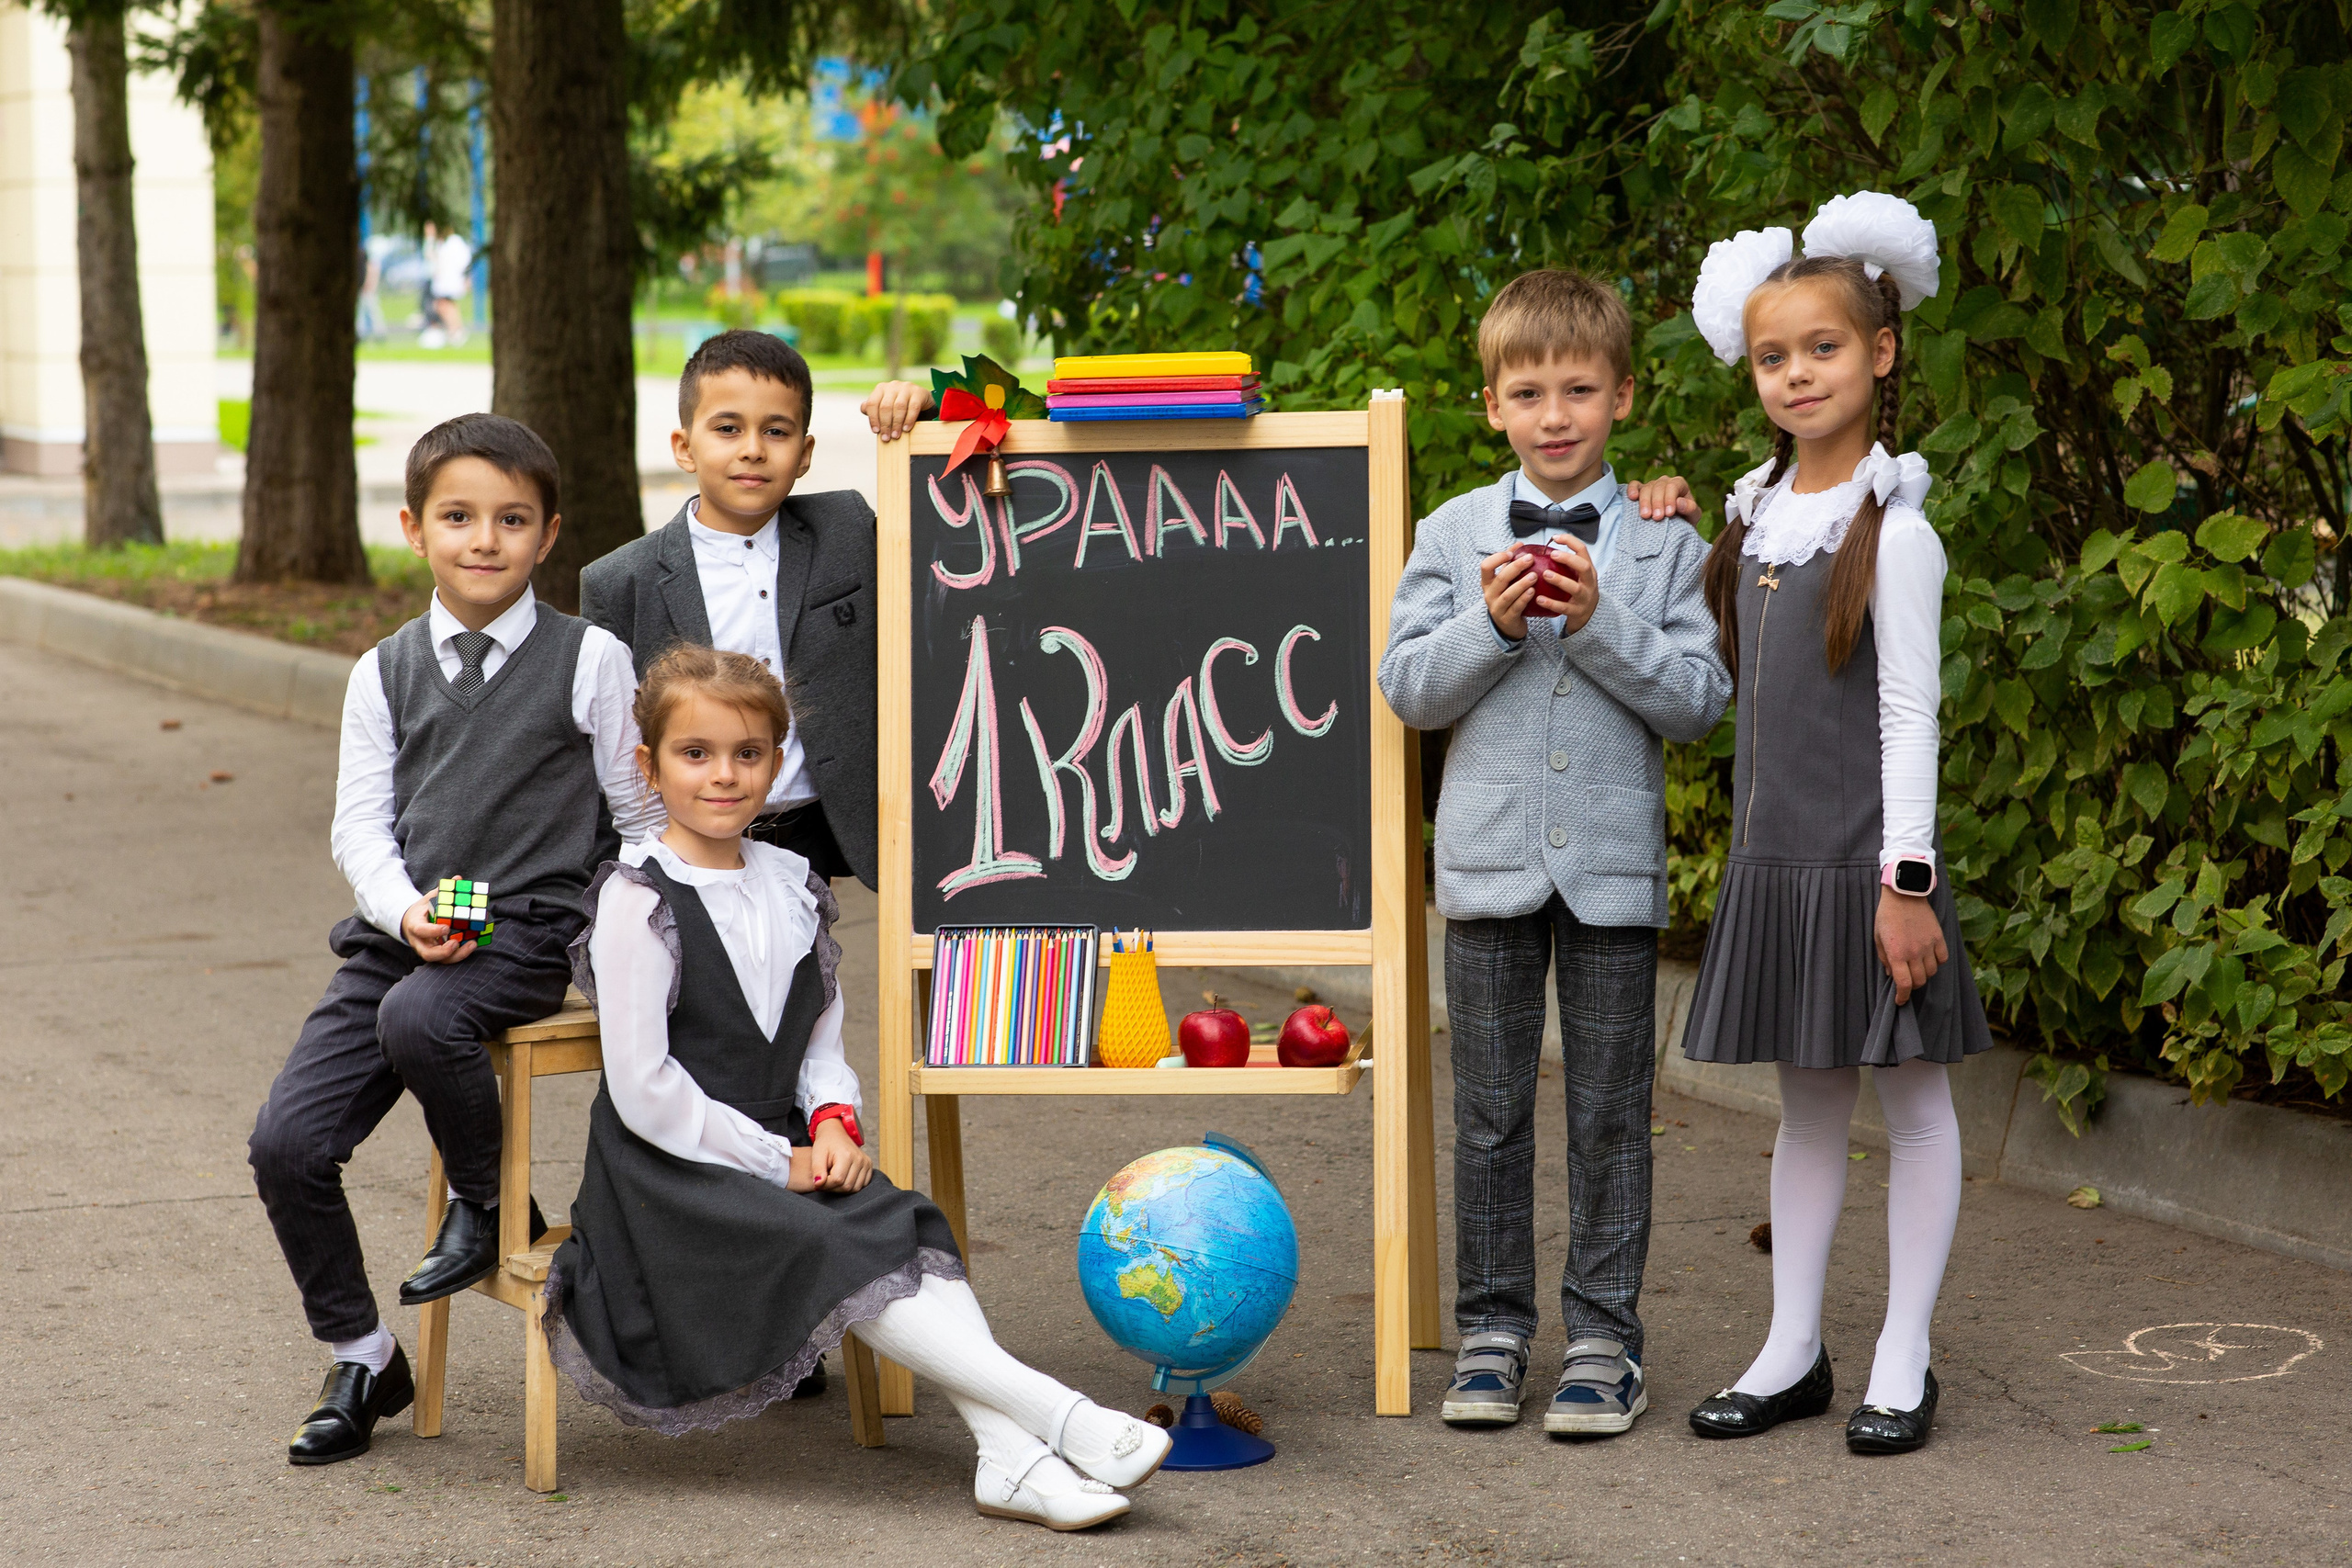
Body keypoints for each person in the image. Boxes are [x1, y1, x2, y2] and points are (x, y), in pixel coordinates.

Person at [546, 645, 1169, 1529]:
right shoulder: (637, 898)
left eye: (749, 753)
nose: (724, 775)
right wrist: (780, 1162)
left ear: (777, 760)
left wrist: (834, 1121)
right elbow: (645, 1089)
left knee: (903, 1221)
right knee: (837, 1247)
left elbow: (817, 1044)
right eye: (696, 753)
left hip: (794, 1140)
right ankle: (1063, 1416)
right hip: (668, 1175)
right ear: (649, 766)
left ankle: (1010, 1459)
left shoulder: (793, 883)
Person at [247, 414, 661, 1465]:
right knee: (287, 1144)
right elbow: (359, 823)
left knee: (422, 1017)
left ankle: (484, 1206)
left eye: (512, 520)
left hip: (525, 930)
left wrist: (651, 934)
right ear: (414, 529)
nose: (486, 540)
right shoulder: (380, 671)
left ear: (549, 534)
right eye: (460, 517)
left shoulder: (590, 657)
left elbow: (641, 816)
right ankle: (363, 1353)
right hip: (405, 930)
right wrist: (400, 910)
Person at [1376, 271, 1731, 1437]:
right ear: (1491, 407)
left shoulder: (1667, 540)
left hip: (1614, 877)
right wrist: (1486, 622)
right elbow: (1406, 691)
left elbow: (1695, 701)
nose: (1555, 414)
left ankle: (1603, 1340)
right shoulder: (1449, 533)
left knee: (1610, 1111)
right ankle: (1490, 1331)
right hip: (1483, 872)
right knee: (1486, 1112)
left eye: (1579, 388)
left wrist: (1601, 622)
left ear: (1622, 395)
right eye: (1528, 392)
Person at [1676, 192, 1994, 1456]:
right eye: (1772, 355)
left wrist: (1904, 878)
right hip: (1777, 868)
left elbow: (1912, 713)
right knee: (1804, 1112)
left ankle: (1904, 1355)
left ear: (1881, 350)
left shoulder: (1896, 530)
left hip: (1870, 875)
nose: (1797, 373)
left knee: (1912, 1105)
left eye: (1822, 346)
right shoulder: (1750, 515)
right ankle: (1789, 1348)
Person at [580, 331, 876, 893]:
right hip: (694, 831)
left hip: (830, 823)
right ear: (684, 446)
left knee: (805, 971)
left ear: (805, 453)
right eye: (727, 428)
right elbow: (609, 745)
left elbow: (945, 520)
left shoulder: (847, 528)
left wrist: (923, 411)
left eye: (776, 431)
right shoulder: (620, 581)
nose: (753, 449)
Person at [422, 223, 472, 348]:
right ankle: (454, 331)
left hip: (449, 281)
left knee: (445, 305)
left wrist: (465, 278)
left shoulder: (454, 242)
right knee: (445, 305)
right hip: (445, 281)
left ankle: (456, 331)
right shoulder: (443, 243)